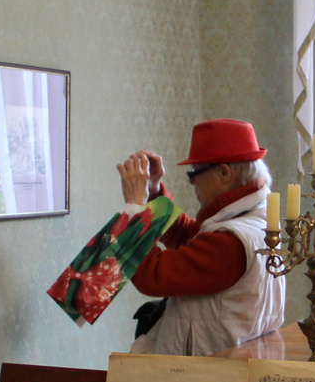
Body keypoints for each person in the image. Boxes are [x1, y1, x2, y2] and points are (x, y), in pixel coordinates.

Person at [116, 119, 284, 357]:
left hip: (206, 373)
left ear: (224, 173)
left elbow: (151, 275)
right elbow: (190, 238)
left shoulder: (230, 242)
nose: (192, 182)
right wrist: (153, 191)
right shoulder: (255, 223)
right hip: (229, 364)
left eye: (194, 173)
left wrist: (134, 207)